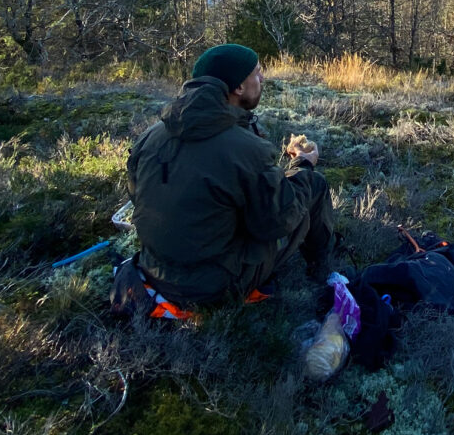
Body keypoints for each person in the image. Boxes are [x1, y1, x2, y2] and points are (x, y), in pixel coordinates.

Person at [124, 43, 335, 316]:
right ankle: (323, 273)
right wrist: (303, 165)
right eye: (257, 73)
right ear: (237, 87)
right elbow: (277, 222)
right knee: (312, 185)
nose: (262, 79)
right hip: (218, 285)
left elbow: (136, 195)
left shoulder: (150, 136)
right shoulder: (246, 149)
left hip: (154, 271)